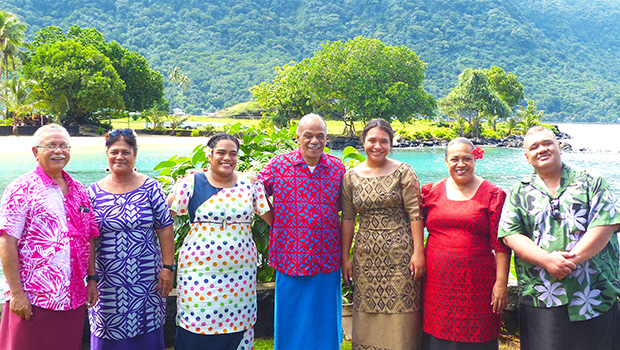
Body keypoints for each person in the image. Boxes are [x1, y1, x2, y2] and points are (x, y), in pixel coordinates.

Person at [499, 126, 620, 350]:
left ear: (560, 147)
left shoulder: (592, 182)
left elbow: (606, 223)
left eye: (547, 143)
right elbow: (510, 234)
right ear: (527, 157)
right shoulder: (519, 191)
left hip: (594, 291)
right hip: (541, 294)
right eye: (534, 147)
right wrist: (546, 260)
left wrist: (567, 262)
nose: (541, 149)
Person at [0, 123, 99, 350]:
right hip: (34, 299)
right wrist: (16, 294)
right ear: (35, 152)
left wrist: (91, 280)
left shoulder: (79, 190)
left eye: (64, 145)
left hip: (72, 298)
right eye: (50, 146)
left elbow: (90, 238)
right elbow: (6, 241)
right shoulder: (20, 189)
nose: (58, 151)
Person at [168, 133, 272, 350]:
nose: (227, 158)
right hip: (199, 273)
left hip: (240, 276)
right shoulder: (192, 182)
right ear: (210, 155)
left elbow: (272, 219)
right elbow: (165, 215)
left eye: (233, 154)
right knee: (196, 322)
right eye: (221, 153)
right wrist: (180, 183)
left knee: (238, 324)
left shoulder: (250, 183)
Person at [258, 114, 346, 350]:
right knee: (291, 313)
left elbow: (347, 206)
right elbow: (255, 193)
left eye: (320, 136)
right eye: (308, 135)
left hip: (326, 255)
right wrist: (274, 221)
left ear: (327, 139)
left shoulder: (338, 168)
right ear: (298, 137)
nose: (314, 141)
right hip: (290, 255)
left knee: (325, 314)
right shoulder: (278, 165)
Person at [341, 119, 425, 350]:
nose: (377, 146)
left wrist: (419, 253)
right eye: (372, 141)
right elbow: (348, 218)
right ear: (363, 142)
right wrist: (345, 257)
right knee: (368, 307)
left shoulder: (403, 172)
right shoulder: (351, 177)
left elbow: (415, 214)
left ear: (390, 144)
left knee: (402, 306)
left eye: (384, 141)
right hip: (366, 255)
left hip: (401, 254)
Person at [86, 128, 175, 349]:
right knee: (107, 329)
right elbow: (90, 239)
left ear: (135, 155)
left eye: (126, 152)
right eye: (114, 151)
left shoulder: (150, 187)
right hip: (108, 280)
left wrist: (168, 268)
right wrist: (91, 278)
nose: (120, 157)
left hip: (146, 278)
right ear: (107, 154)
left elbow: (165, 229)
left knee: (147, 330)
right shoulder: (92, 193)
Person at [420, 137, 510, 350]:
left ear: (475, 159)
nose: (461, 164)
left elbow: (502, 245)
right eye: (455, 159)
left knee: (479, 334)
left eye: (466, 159)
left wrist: (501, 284)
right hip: (436, 283)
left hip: (477, 284)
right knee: (437, 336)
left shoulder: (492, 194)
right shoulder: (431, 192)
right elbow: (415, 225)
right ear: (446, 162)